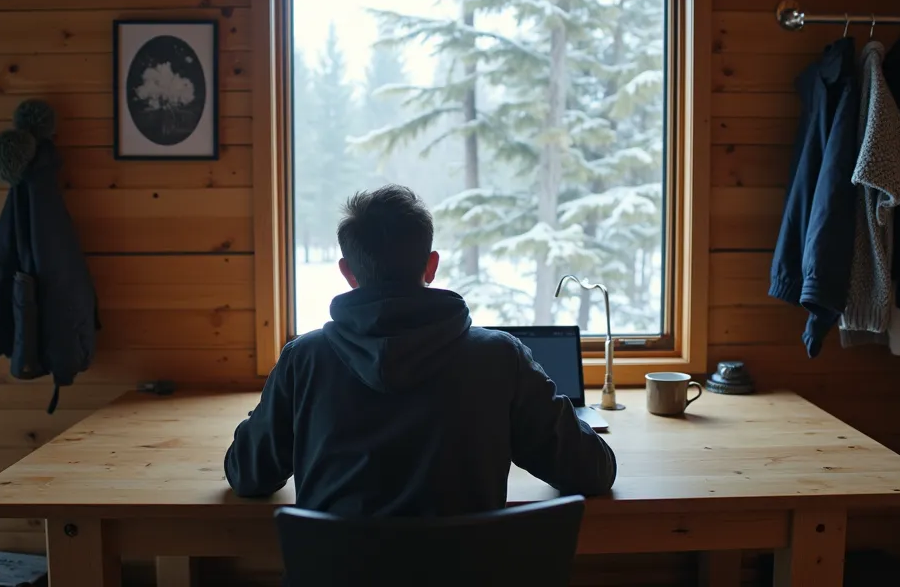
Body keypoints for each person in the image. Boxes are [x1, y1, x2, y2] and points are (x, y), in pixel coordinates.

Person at [224, 185, 617, 517]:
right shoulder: (499, 358)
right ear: (431, 266)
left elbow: (247, 476)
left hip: (337, 572)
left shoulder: (304, 360)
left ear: (347, 273)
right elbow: (592, 472)